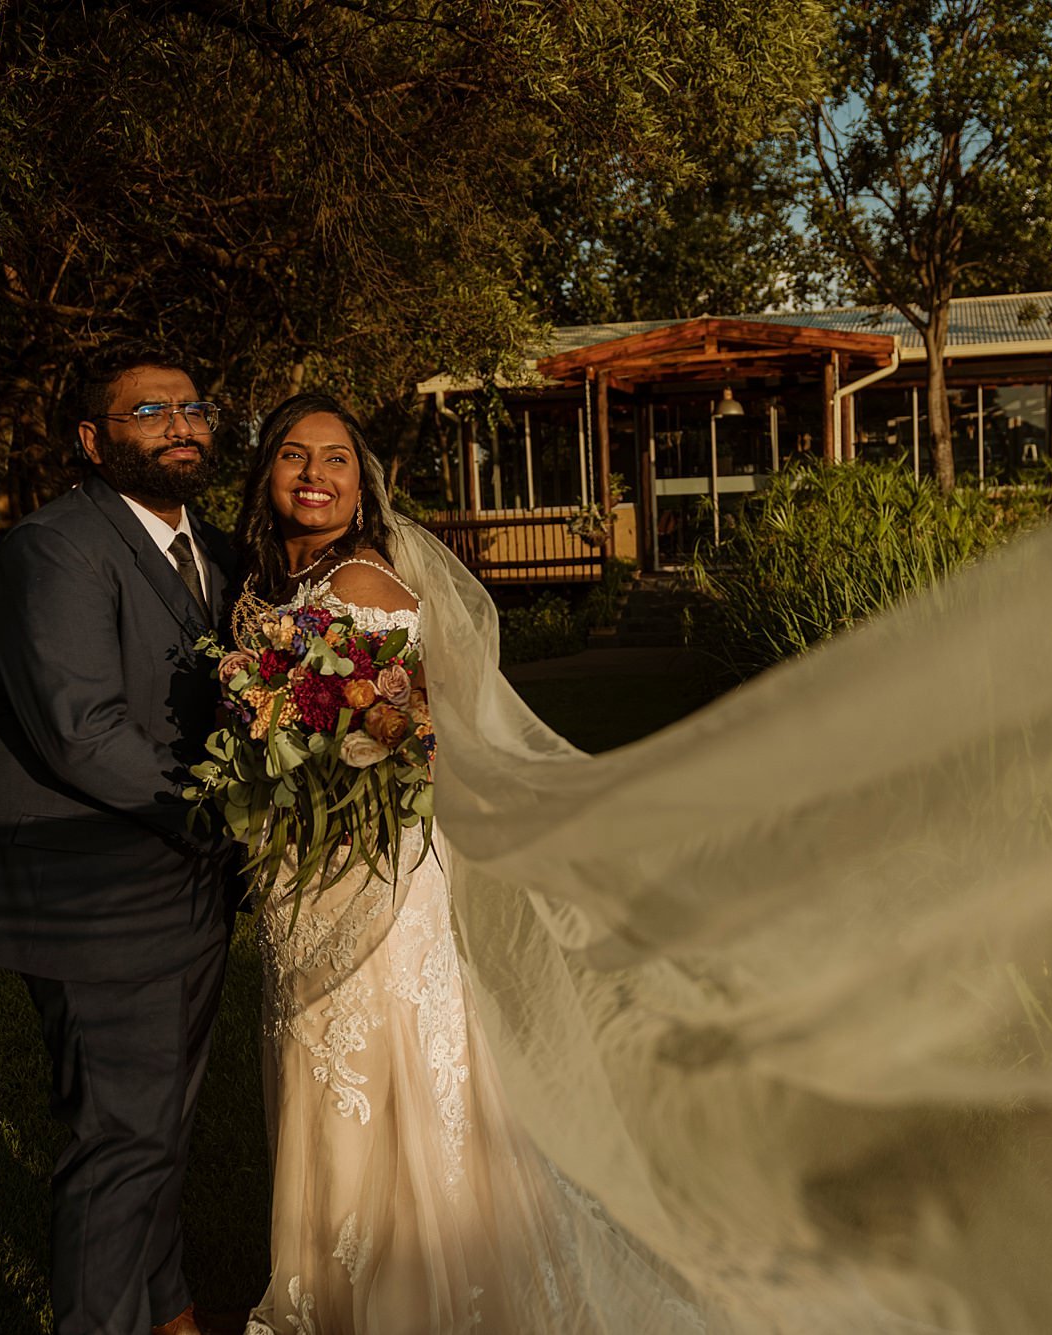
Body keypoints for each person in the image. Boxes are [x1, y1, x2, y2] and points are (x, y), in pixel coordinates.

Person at [233, 394, 708, 1334]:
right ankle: (326, 1279)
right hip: (303, 862)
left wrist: (353, 730)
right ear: (266, 476)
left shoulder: (366, 580)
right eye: (294, 455)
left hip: (374, 861)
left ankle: (419, 1287)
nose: (316, 474)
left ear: (363, 480)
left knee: (382, 1048)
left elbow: (423, 722)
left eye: (336, 457)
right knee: (317, 1051)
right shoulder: (270, 587)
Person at [0, 345, 238, 1335]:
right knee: (122, 1145)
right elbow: (84, 736)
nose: (181, 424)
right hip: (99, 895)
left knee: (155, 1136)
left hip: (188, 890)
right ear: (91, 439)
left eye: (193, 407)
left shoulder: (209, 544)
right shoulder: (54, 549)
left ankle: (168, 1318)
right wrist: (235, 809)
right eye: (149, 410)